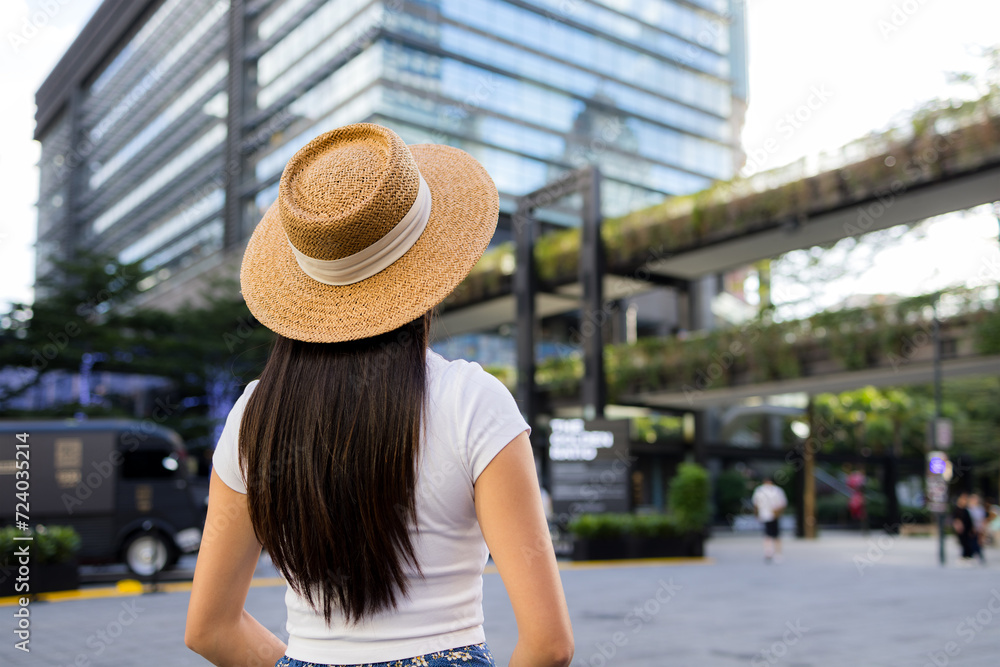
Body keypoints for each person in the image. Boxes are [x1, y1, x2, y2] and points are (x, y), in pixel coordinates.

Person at [185, 124, 574, 667]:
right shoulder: (472, 400)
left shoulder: (254, 416)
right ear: (431, 265)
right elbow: (550, 645)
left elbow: (209, 629)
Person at [751, 475, 787, 563]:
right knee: (776, 535)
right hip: (774, 515)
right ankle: (777, 554)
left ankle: (768, 552)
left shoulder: (759, 490)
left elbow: (755, 504)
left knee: (767, 534)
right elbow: (782, 503)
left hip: (765, 515)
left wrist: (756, 514)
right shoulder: (777, 490)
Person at [952, 493, 976, 562]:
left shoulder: (966, 510)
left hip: (967, 529)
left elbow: (970, 520)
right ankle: (965, 556)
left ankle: (968, 556)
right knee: (964, 543)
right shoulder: (957, 509)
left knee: (968, 543)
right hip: (962, 529)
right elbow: (955, 519)